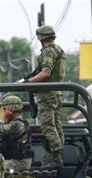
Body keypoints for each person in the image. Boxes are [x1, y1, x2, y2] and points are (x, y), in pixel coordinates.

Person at [24, 25, 67, 169]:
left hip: (48, 94)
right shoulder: (58, 49)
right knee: (56, 125)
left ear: (41, 38)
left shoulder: (48, 51)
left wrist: (29, 82)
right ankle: (58, 154)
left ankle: (56, 156)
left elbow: (46, 73)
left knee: (48, 126)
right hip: (55, 93)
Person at [0, 96, 32, 173]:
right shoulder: (18, 123)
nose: (3, 112)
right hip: (17, 161)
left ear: (10, 110)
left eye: (4, 110)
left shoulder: (16, 125)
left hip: (20, 163)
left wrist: (3, 118)